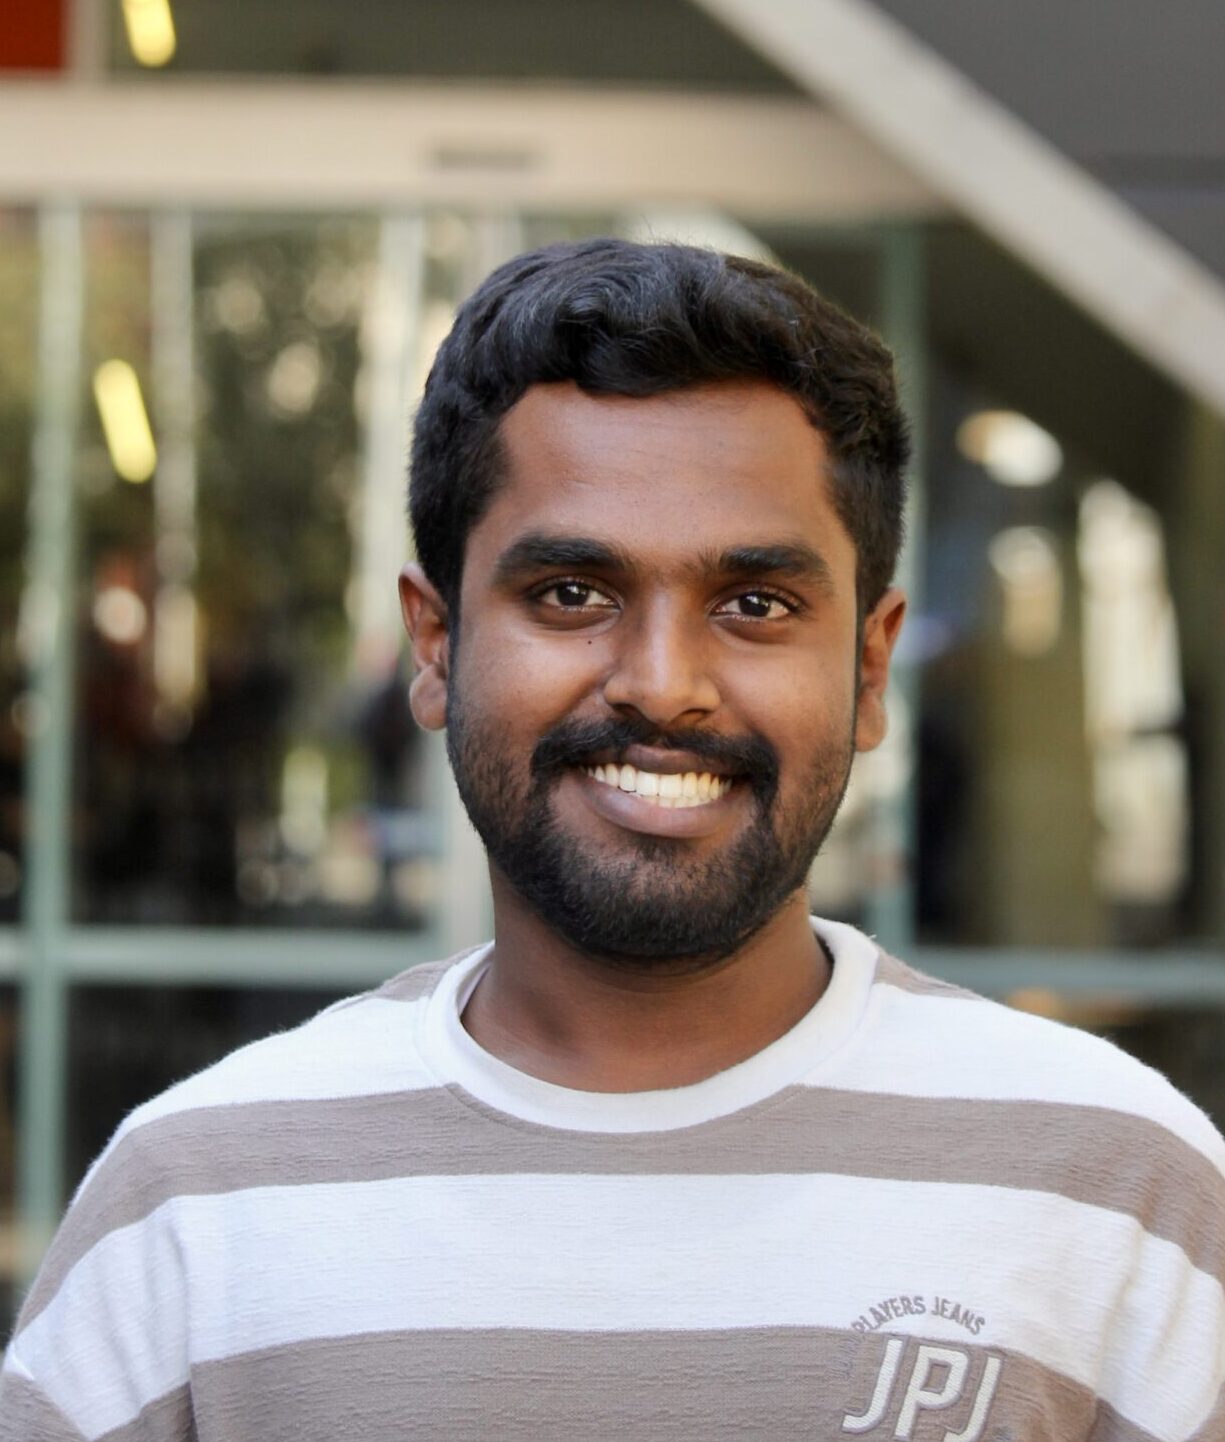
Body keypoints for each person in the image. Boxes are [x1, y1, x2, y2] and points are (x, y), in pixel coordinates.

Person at [2, 239, 1222, 1442]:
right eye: (571, 593)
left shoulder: (1118, 1179)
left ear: (867, 665)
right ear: (435, 644)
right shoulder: (196, 1196)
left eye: (755, 603)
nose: (661, 683)